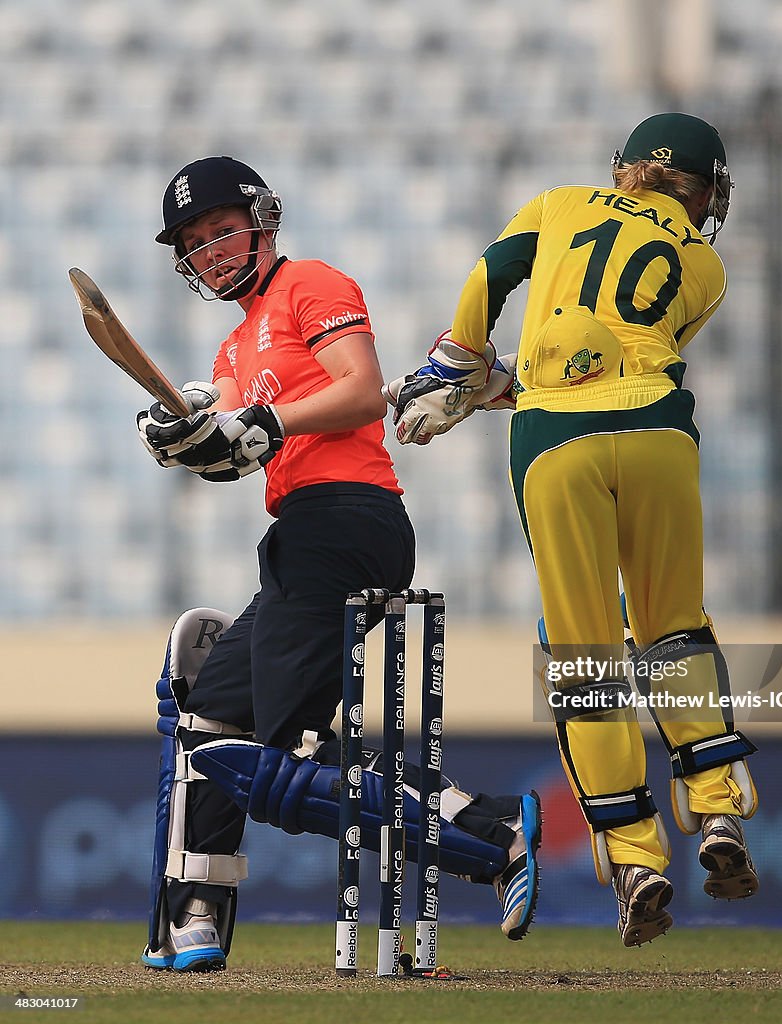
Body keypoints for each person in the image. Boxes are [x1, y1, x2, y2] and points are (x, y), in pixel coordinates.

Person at [135, 156, 541, 973]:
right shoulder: (232, 346)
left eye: (221, 229)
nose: (211, 251)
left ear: (263, 218)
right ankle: (196, 913)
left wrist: (257, 423)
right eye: (194, 243)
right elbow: (233, 449)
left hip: (347, 518)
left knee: (290, 758)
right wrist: (185, 436)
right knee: (209, 717)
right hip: (300, 534)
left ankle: (492, 832)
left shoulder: (311, 284)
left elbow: (357, 394)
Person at [385, 113, 759, 947]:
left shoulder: (559, 204)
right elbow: (628, 356)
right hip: (660, 433)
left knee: (584, 649)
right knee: (671, 629)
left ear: (621, 168)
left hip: (557, 443)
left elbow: (493, 273)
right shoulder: (705, 266)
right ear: (704, 191)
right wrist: (502, 383)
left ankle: (632, 857)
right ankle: (719, 809)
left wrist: (460, 361)